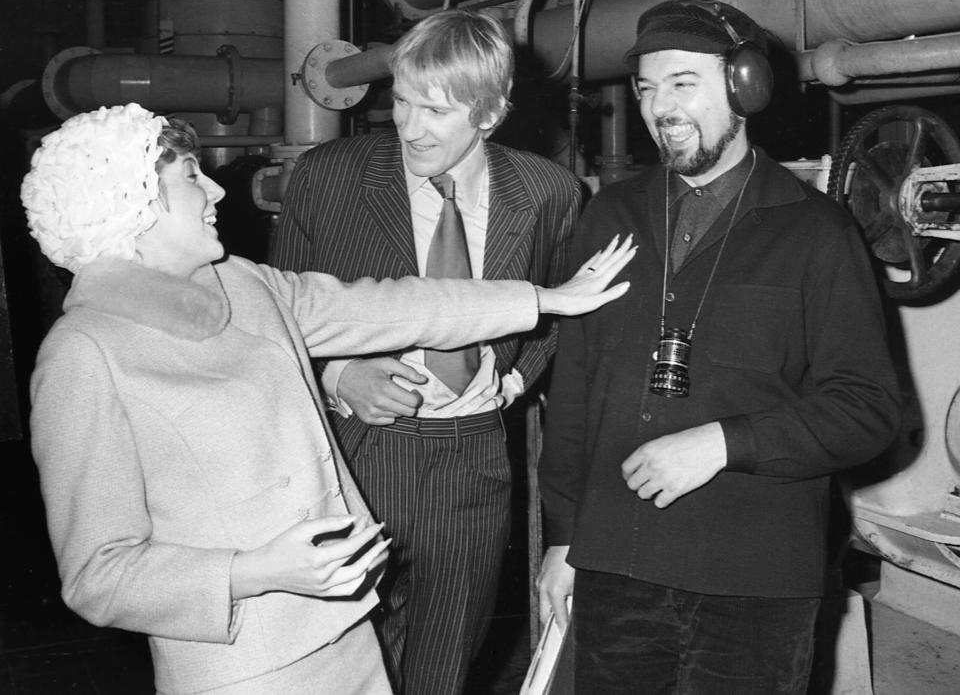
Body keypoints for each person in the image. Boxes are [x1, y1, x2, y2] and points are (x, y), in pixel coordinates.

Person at [20, 103, 633, 695]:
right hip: (244, 666)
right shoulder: (85, 354)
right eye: (190, 179)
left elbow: (396, 304)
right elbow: (97, 574)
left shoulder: (243, 284)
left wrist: (546, 300)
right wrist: (252, 570)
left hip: (348, 632)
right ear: (132, 206)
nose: (217, 192)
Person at [537, 0, 902, 694]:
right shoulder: (608, 217)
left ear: (745, 87)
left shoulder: (815, 232)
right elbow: (576, 389)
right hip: (618, 561)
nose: (659, 109)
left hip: (756, 584)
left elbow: (869, 407)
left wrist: (725, 443)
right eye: (646, 89)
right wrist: (562, 535)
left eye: (682, 83)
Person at [271, 9, 584, 693]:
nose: (409, 127)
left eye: (435, 110)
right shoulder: (329, 178)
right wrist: (336, 373)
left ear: (491, 112)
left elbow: (565, 306)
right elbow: (274, 317)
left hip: (471, 462)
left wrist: (513, 379)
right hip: (354, 455)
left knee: (444, 672)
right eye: (402, 101)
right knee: (343, 671)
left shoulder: (548, 193)